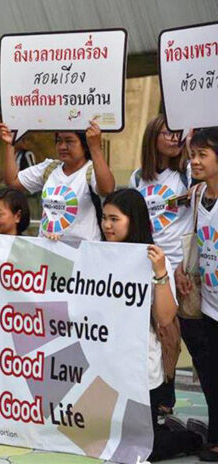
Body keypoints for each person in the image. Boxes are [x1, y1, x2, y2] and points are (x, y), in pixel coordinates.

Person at [102, 189, 204, 461]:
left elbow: (165, 316)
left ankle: (188, 437)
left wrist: (160, 273)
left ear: (132, 221)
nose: (107, 225)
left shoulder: (153, 259)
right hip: (105, 362)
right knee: (105, 438)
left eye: (115, 219)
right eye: (104, 218)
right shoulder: (96, 254)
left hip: (140, 362)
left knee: (142, 449)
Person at [130, 114, 196, 418]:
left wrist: (187, 265)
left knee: (181, 332)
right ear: (152, 137)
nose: (174, 138)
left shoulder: (186, 173)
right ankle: (162, 396)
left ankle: (166, 397)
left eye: (178, 133)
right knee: (158, 332)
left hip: (182, 269)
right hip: (149, 265)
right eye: (167, 133)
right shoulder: (136, 178)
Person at [0, 118, 115, 241]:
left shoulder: (92, 171)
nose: (62, 146)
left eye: (69, 141)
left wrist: (95, 147)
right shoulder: (49, 168)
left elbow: (107, 189)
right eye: (59, 141)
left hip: (82, 253)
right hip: (48, 251)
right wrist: (9, 145)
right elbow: (13, 181)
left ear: (85, 145)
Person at [178, 128, 218, 461]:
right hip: (205, 300)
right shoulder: (196, 195)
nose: (194, 161)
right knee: (208, 369)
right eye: (193, 154)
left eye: (203, 155)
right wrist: (183, 271)